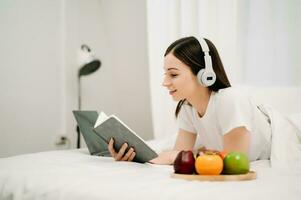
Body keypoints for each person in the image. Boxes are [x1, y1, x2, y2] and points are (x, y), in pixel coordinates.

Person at [107, 36, 272, 164]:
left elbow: (235, 162)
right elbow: (179, 156)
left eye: (173, 74)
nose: (165, 82)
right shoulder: (188, 107)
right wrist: (133, 157)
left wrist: (180, 156)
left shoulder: (231, 99)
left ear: (204, 75)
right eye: (166, 74)